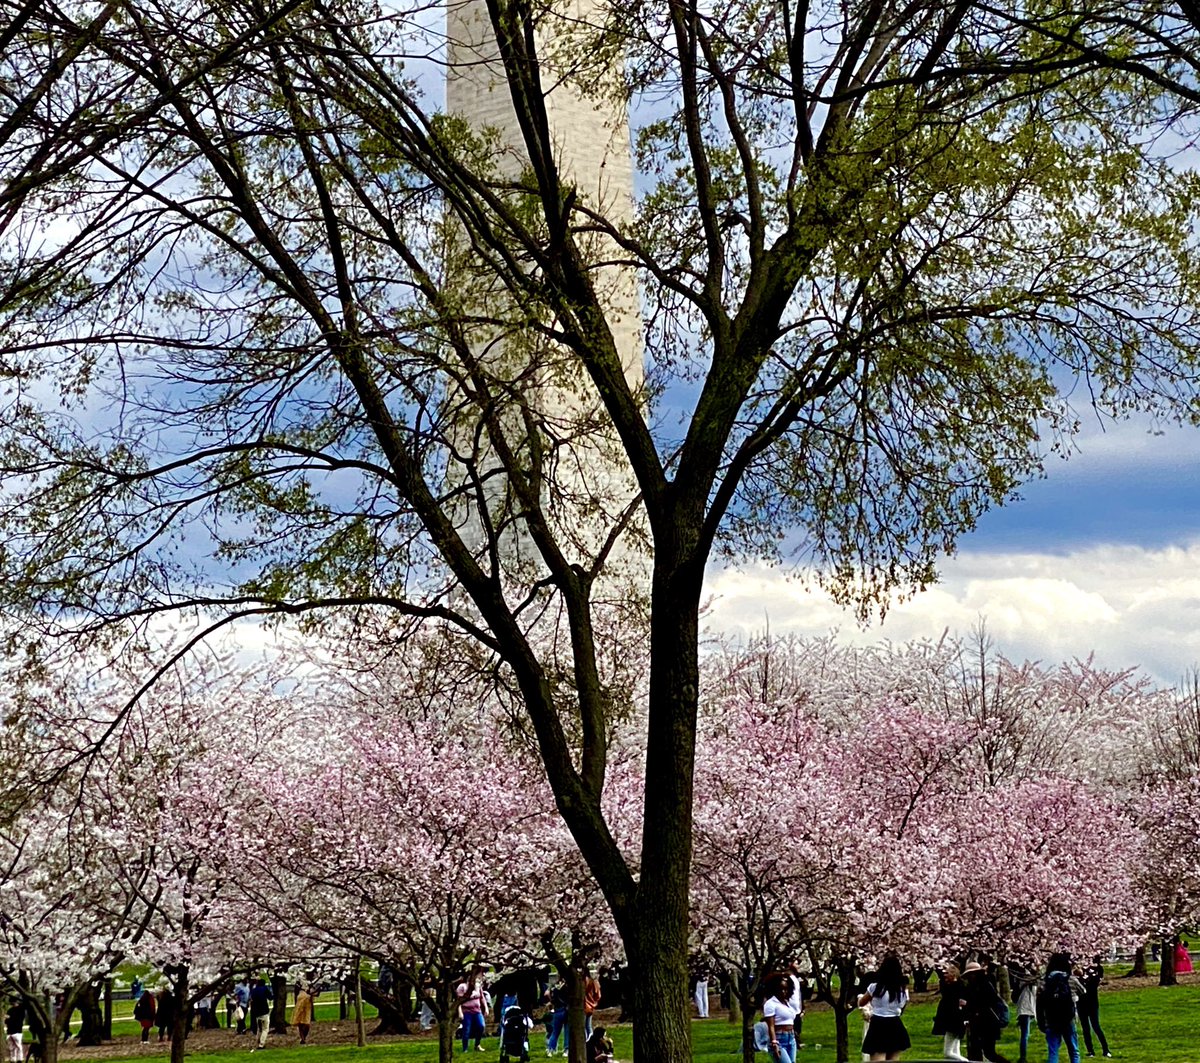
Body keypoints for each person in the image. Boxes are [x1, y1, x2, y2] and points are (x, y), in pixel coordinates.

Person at [858, 955, 910, 1063]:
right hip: (895, 1024)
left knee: (877, 1058)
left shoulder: (875, 987)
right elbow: (902, 1008)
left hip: (878, 1024)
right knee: (893, 1059)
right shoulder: (902, 989)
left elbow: (862, 1002)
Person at [961, 960, 1008, 1063]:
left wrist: (968, 1004)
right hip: (978, 1023)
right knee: (977, 1051)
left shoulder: (985, 985)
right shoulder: (973, 986)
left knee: (989, 1052)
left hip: (988, 1023)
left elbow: (985, 1003)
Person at [1037, 953, 1081, 1063]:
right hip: (1068, 1019)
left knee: (1053, 1051)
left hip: (1051, 1019)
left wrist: (1041, 1021)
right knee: (1074, 1051)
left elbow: (1039, 1002)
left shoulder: (1044, 981)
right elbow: (1083, 991)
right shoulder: (1070, 979)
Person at [930, 964, 967, 1062]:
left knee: (948, 1053)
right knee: (955, 1050)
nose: (944, 975)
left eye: (947, 973)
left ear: (953, 974)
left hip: (953, 1019)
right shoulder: (947, 986)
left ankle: (965, 1061)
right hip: (951, 1019)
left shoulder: (958, 987)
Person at [762, 972, 800, 1063]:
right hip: (779, 1039)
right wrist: (774, 1042)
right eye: (780, 989)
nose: (783, 991)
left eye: (786, 989)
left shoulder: (787, 1003)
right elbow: (771, 1026)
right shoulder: (770, 1004)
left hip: (791, 1038)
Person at [1077, 959, 1110, 1058]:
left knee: (1096, 1026)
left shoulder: (1094, 976)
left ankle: (1105, 1049)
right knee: (1085, 1029)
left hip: (1092, 1004)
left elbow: (1098, 976)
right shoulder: (1077, 977)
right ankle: (1090, 1051)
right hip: (1081, 1005)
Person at [1009, 963, 1039, 1063]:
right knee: (1025, 1035)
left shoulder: (1021, 983)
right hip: (1026, 1010)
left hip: (1023, 1010)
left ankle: (1022, 1057)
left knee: (1025, 1034)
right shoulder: (1028, 984)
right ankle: (1023, 1057)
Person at [456, 970, 489, 1053]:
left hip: (477, 1010)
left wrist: (486, 1008)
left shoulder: (478, 986)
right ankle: (465, 1048)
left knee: (481, 1026)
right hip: (466, 1011)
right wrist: (460, 1012)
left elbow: (482, 997)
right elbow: (458, 1001)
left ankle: (477, 1044)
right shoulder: (462, 987)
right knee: (466, 1030)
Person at [249, 977, 273, 1051]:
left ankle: (258, 1042)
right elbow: (270, 997)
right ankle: (261, 1044)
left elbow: (251, 999)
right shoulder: (264, 988)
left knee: (259, 1029)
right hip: (264, 1011)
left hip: (256, 1012)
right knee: (265, 1029)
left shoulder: (254, 990)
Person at [545, 983, 568, 1057]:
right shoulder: (567, 986)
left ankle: (550, 1049)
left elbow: (547, 994)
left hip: (557, 1010)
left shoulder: (555, 986)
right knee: (567, 1031)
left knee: (555, 1032)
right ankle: (566, 1050)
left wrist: (551, 1001)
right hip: (566, 1010)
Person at [583, 972, 601, 1041]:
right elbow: (598, 995)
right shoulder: (593, 982)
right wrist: (594, 1003)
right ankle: (592, 1041)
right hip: (590, 1006)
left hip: (584, 1006)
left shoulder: (581, 982)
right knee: (588, 1026)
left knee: (583, 1026)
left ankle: (585, 1041)